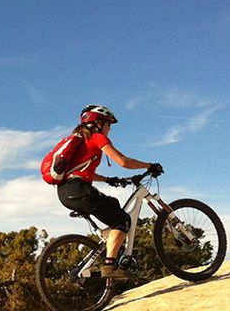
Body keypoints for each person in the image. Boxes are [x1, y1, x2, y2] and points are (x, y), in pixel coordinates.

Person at [55, 105, 163, 278]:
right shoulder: (96, 138)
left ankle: (110, 247)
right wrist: (149, 165)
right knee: (122, 220)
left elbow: (83, 172)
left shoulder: (81, 140)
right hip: (80, 190)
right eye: (109, 124)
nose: (110, 128)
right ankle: (110, 265)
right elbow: (123, 161)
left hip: (66, 191)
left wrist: (109, 180)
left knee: (113, 204)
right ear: (98, 123)